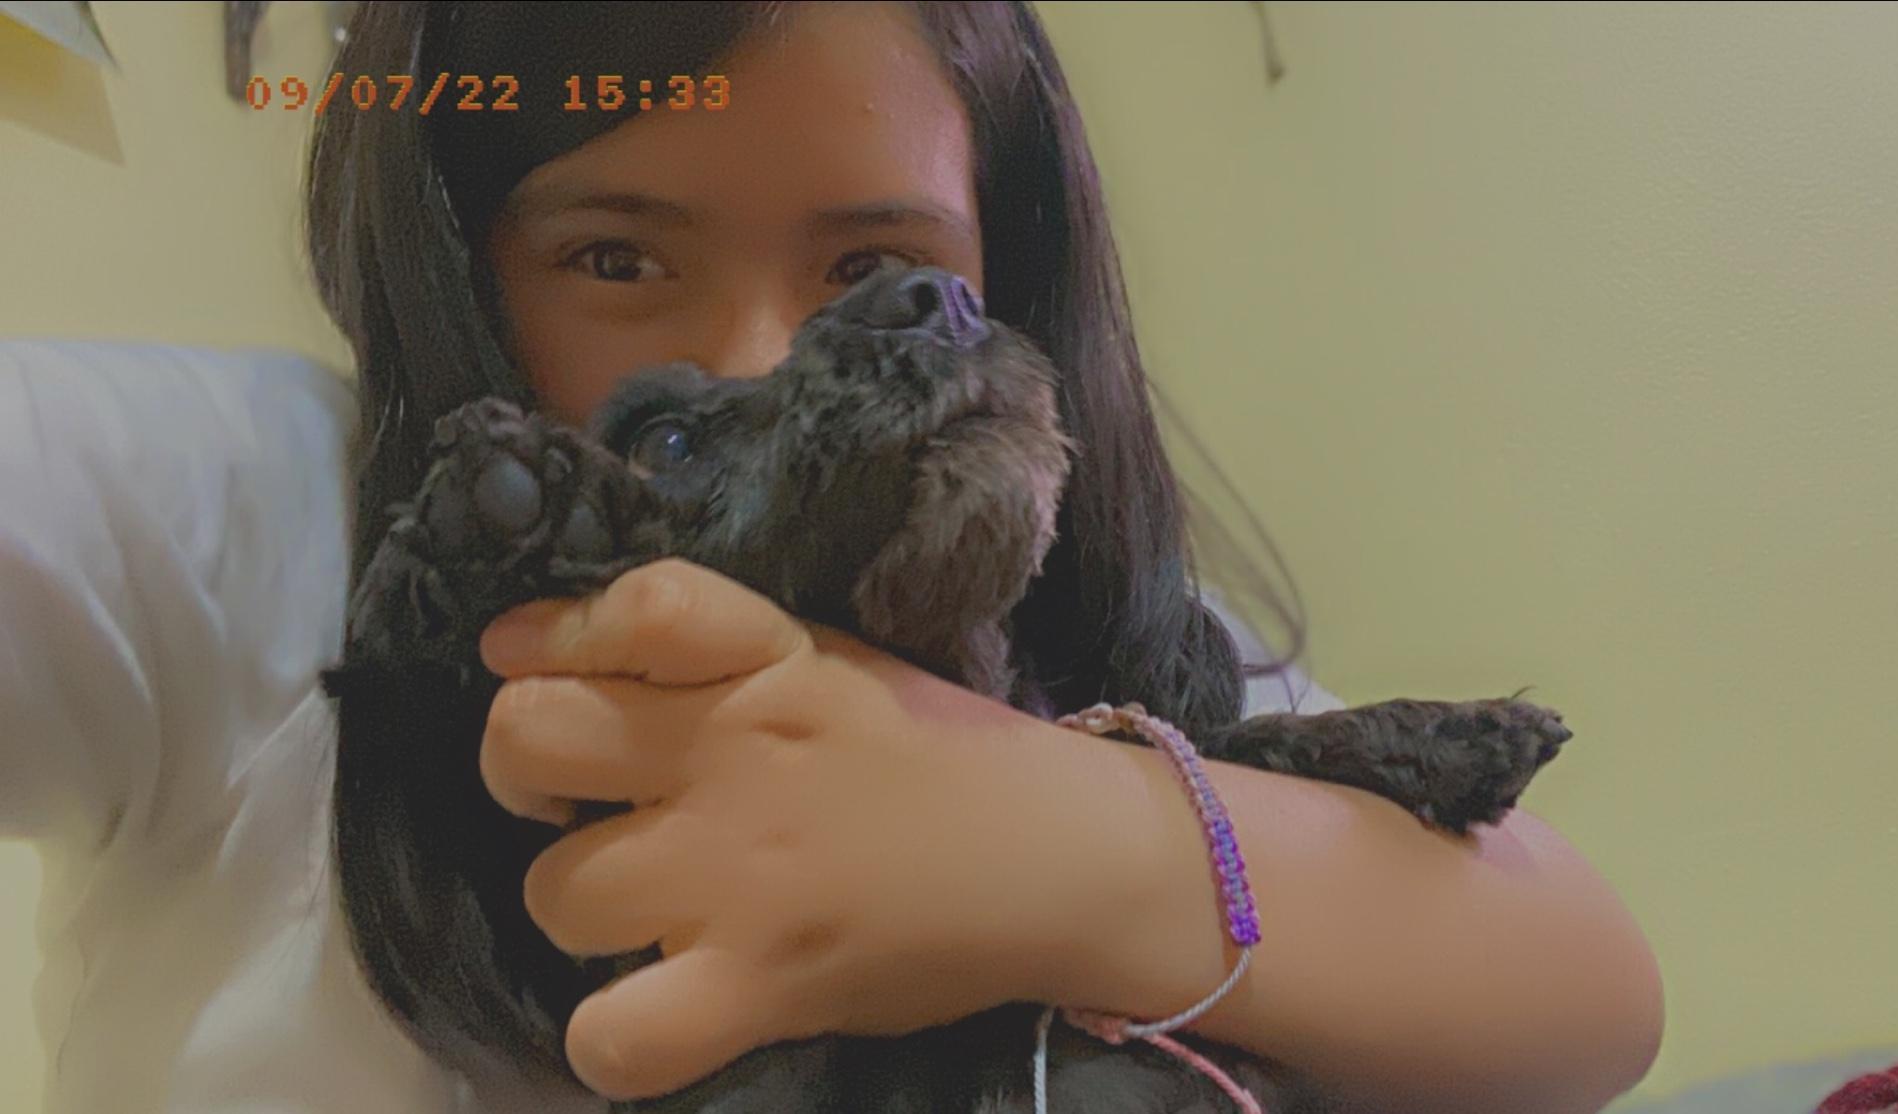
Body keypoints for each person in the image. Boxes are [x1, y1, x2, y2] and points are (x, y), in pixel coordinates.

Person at [0, 3, 1662, 1112]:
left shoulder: (1071, 634)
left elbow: (1590, 988)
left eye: (872, 270)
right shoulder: (267, 518)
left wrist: (1059, 835)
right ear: (451, 260)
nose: (755, 360)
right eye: (615, 257)